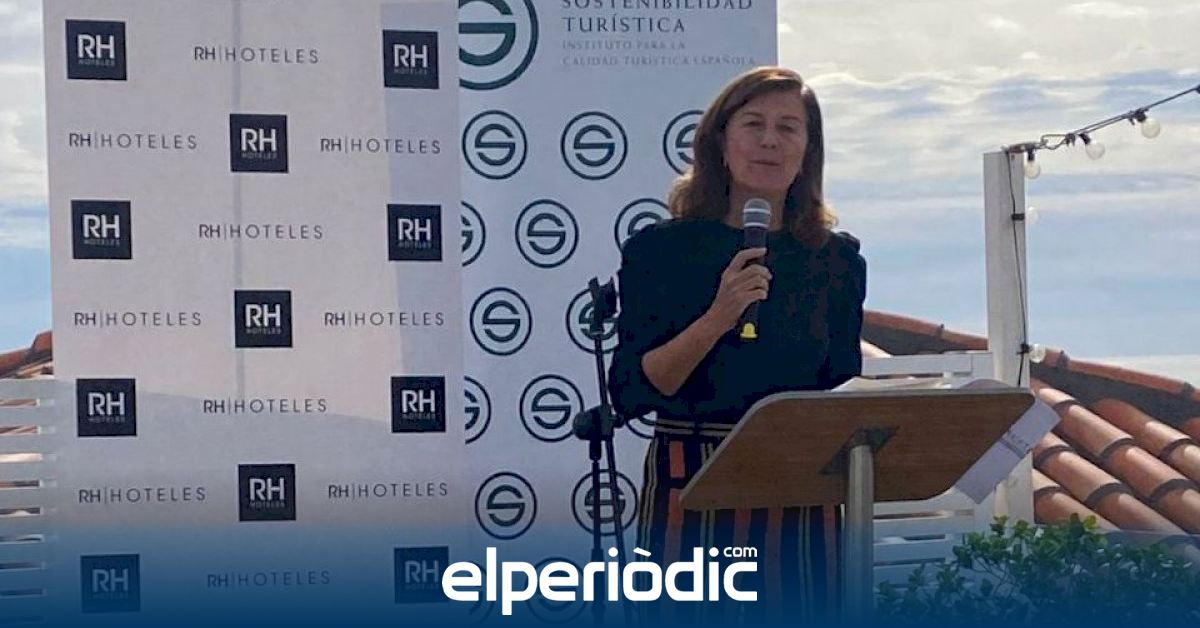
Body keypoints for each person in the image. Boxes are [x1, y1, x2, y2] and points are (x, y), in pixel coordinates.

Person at [608, 66, 867, 624]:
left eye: (788, 128)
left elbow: (839, 378)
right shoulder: (661, 251)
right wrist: (719, 315)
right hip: (693, 483)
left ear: (808, 152)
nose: (770, 140)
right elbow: (633, 390)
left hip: (799, 490)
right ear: (720, 142)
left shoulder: (836, 259)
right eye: (754, 124)